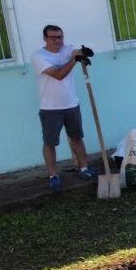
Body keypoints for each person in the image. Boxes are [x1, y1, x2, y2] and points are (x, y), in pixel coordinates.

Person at [32, 25, 96, 192]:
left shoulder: (66, 49)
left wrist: (81, 53)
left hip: (71, 104)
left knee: (77, 137)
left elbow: (75, 51)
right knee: (50, 142)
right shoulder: (39, 56)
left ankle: (84, 168)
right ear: (45, 38)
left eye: (60, 37)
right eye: (53, 37)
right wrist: (74, 61)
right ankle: (53, 176)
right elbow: (59, 75)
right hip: (50, 107)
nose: (57, 40)